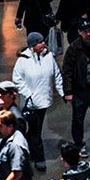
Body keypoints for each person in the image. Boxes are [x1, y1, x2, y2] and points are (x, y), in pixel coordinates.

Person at [12, 31, 64, 171]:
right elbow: (17, 80)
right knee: (35, 132)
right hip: (30, 103)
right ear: (32, 46)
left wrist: (63, 92)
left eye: (43, 41)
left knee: (35, 130)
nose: (43, 44)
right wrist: (28, 95)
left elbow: (57, 75)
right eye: (40, 42)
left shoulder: (49, 57)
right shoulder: (23, 61)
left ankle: (27, 152)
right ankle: (38, 158)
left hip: (44, 101)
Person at [62, 20, 90, 158]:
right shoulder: (74, 48)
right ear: (79, 33)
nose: (89, 33)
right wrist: (68, 92)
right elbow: (67, 71)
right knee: (78, 120)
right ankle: (79, 144)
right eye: (85, 31)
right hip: (80, 92)